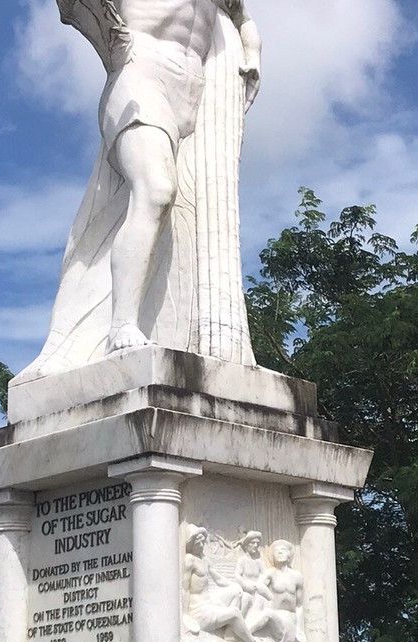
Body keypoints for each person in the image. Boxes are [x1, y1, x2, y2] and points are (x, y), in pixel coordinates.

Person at [21, 0, 261, 377]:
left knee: (184, 214)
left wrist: (252, 58)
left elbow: (240, 16)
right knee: (157, 191)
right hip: (141, 72)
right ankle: (121, 327)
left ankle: (174, 331)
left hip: (196, 88)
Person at [183, 525, 265, 642]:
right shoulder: (189, 560)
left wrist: (238, 586)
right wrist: (185, 615)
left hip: (208, 601)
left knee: (237, 590)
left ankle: (230, 632)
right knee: (234, 612)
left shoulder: (204, 559)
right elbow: (184, 589)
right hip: (198, 610)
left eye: (202, 542)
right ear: (191, 543)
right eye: (197, 542)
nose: (201, 545)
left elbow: (218, 579)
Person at [257, 540, 306, 642]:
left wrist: (300, 631)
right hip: (275, 619)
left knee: (268, 613)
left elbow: (299, 606)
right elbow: (257, 588)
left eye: (283, 550)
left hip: (290, 620)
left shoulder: (297, 576)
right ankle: (246, 635)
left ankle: (246, 636)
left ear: (289, 554)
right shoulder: (270, 573)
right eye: (276, 551)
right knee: (267, 613)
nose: (280, 552)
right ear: (273, 555)